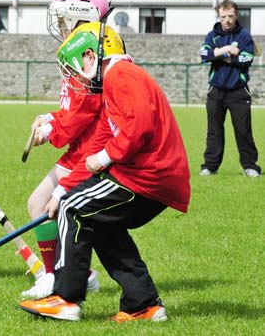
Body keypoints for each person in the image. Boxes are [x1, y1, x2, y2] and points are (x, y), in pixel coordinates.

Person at [19, 22, 191, 322]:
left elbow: (139, 126)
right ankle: (143, 304)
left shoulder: (121, 75)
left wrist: (105, 157)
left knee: (74, 208)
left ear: (90, 56)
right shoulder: (112, 83)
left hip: (147, 175)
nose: (76, 79)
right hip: (148, 177)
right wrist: (61, 189)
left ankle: (65, 297)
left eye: (76, 68)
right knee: (96, 220)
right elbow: (96, 144)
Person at [21, 0, 112, 299]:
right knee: (43, 206)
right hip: (80, 148)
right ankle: (79, 274)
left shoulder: (90, 60)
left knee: (48, 206)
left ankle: (56, 275)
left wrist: (51, 132)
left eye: (64, 21)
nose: (60, 28)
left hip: (91, 151)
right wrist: (50, 117)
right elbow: (71, 109)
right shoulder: (80, 52)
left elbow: (84, 114)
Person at [199, 0, 261, 177]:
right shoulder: (212, 35)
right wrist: (226, 50)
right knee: (214, 130)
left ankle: (250, 167)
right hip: (216, 91)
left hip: (239, 91)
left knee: (243, 130)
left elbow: (246, 58)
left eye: (230, 16)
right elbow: (204, 54)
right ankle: (210, 166)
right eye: (223, 16)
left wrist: (217, 55)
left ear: (236, 16)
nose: (226, 20)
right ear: (219, 16)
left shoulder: (244, 36)